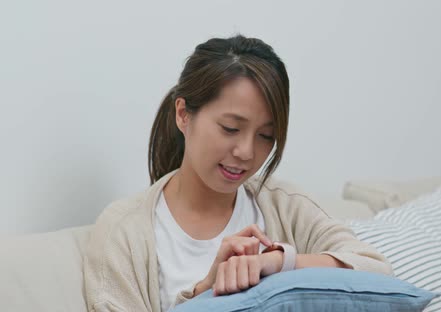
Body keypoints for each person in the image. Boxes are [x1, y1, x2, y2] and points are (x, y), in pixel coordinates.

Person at [83, 35, 392, 312]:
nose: (246, 152)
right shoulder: (123, 233)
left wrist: (277, 263)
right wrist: (208, 290)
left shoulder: (287, 207)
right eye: (230, 128)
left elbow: (377, 271)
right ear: (183, 115)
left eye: (265, 136)